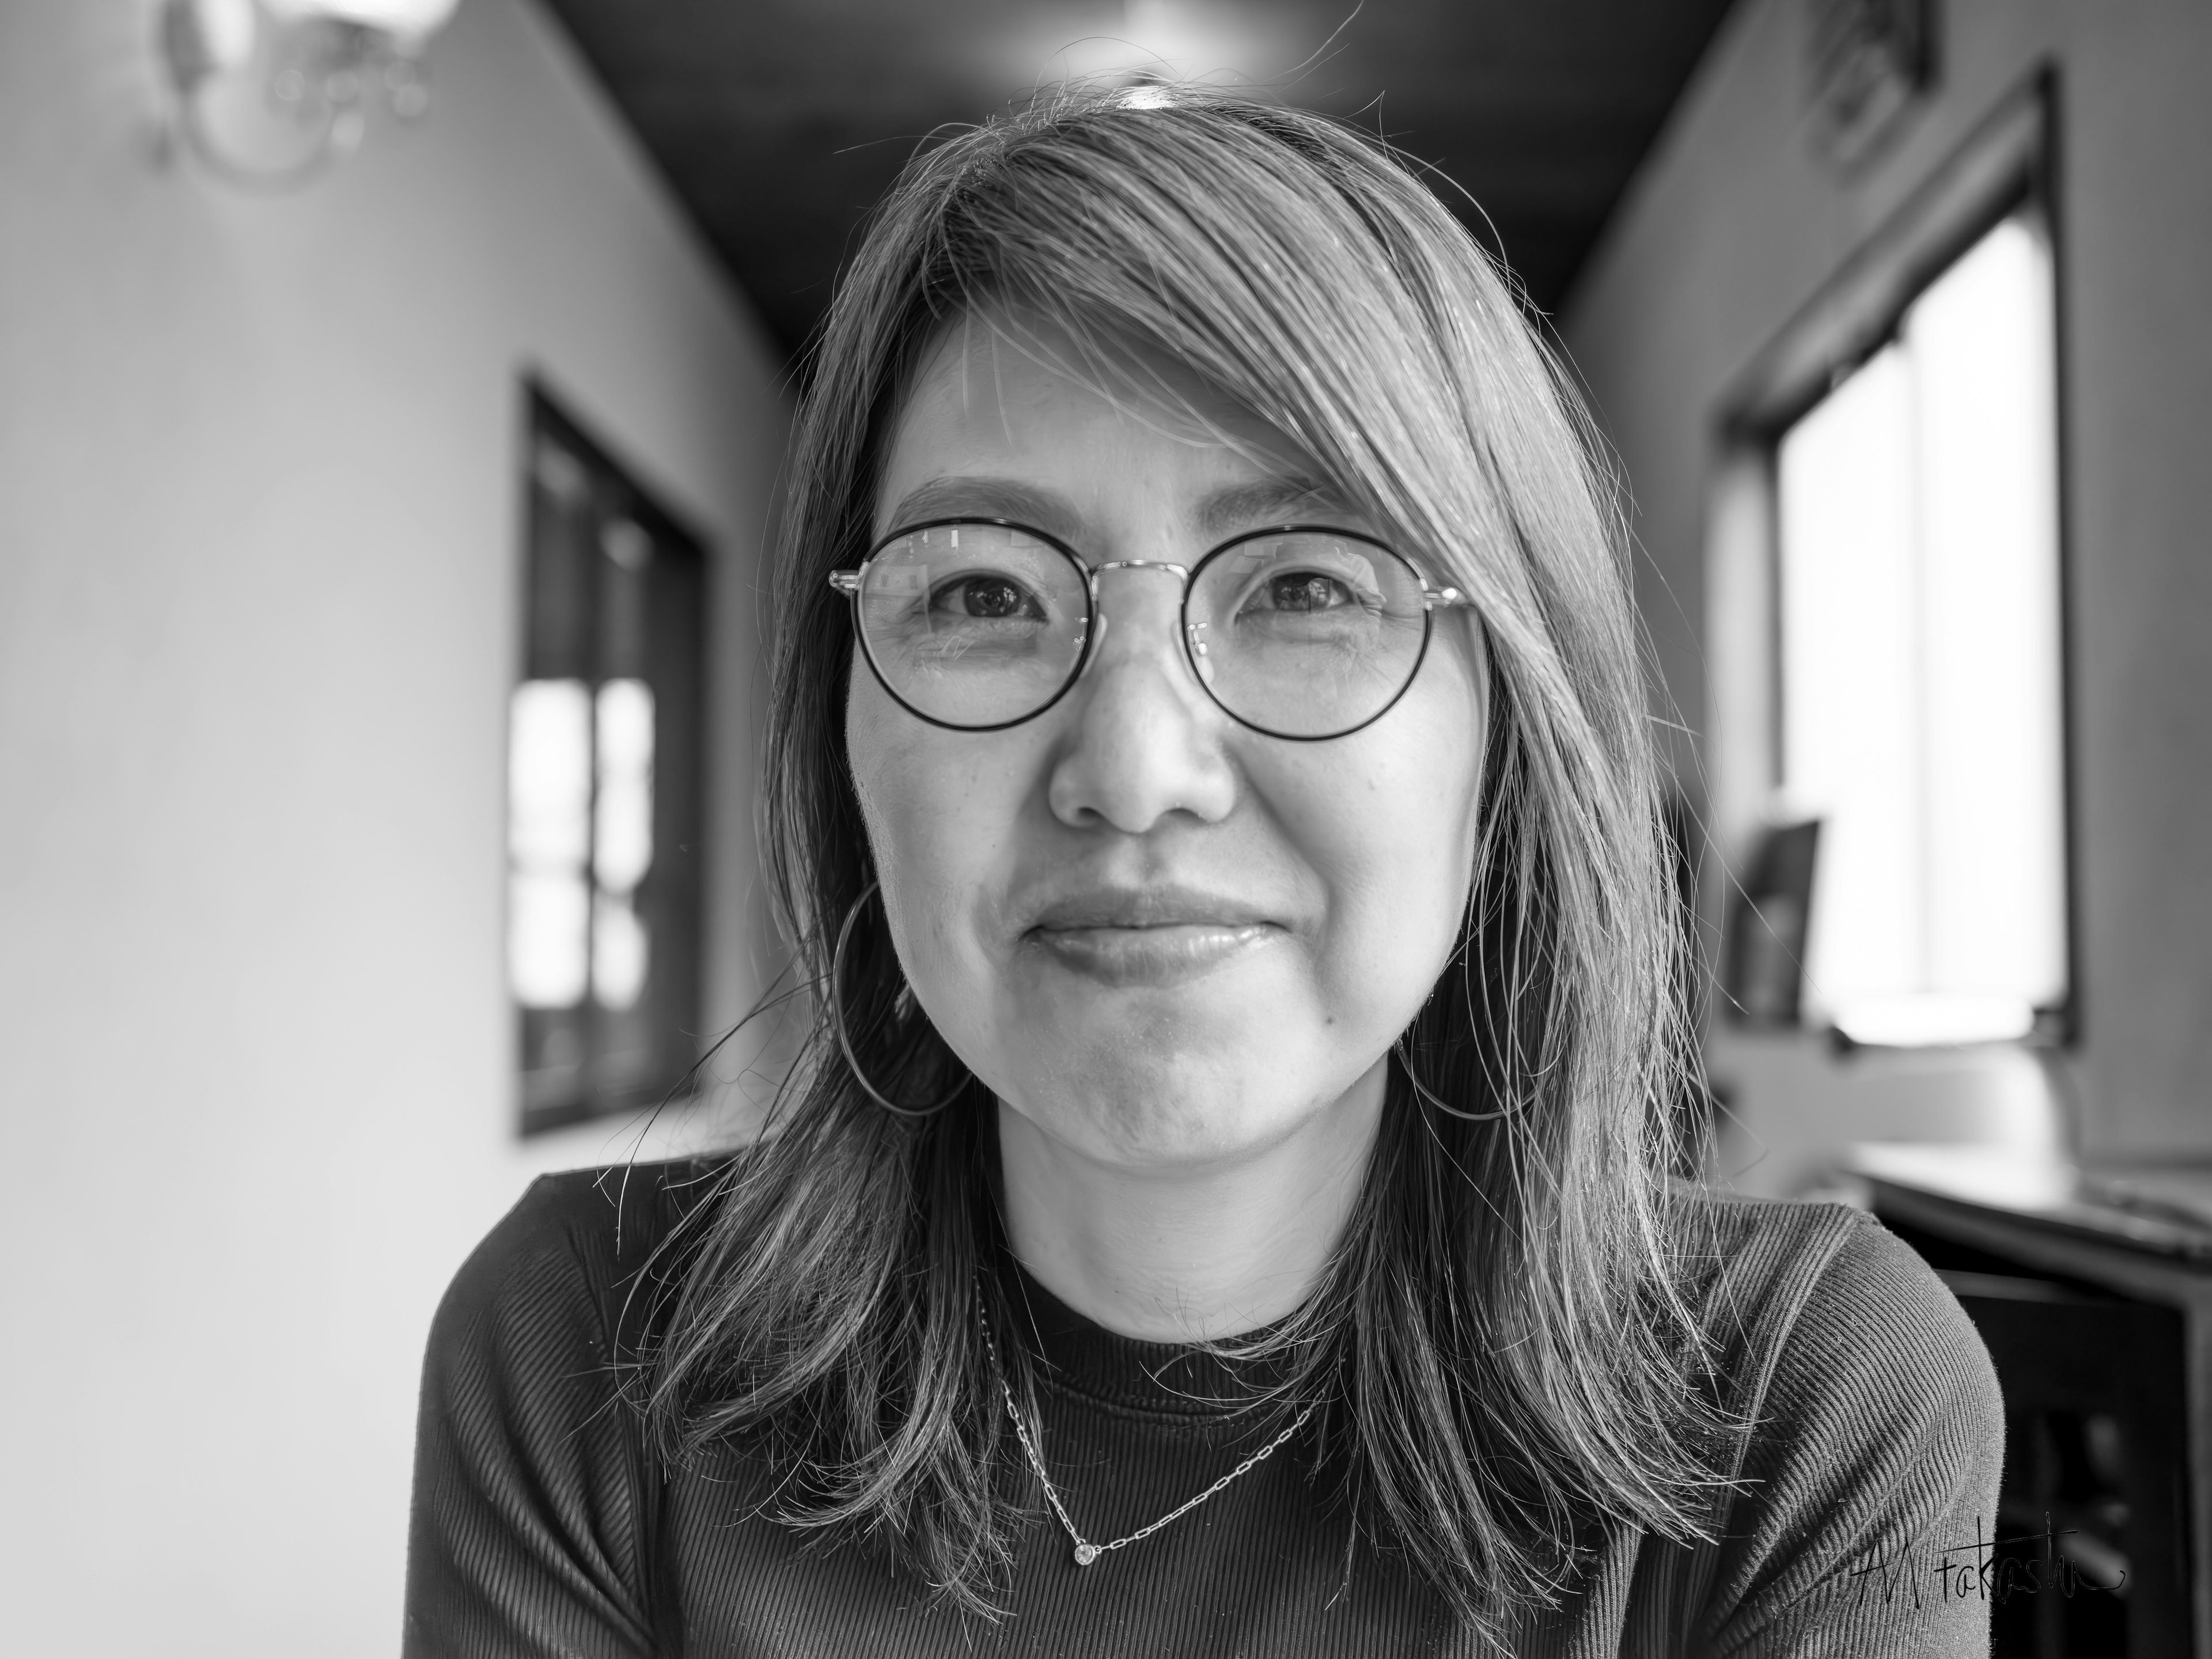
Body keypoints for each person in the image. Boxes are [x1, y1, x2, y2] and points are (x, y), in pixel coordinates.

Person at [404, 84, 2001, 1657]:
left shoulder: (1810, 1399)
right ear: (842, 733)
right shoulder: (584, 1356)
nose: (1136, 770)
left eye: (1308, 583)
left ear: (1511, 725)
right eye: (981, 597)